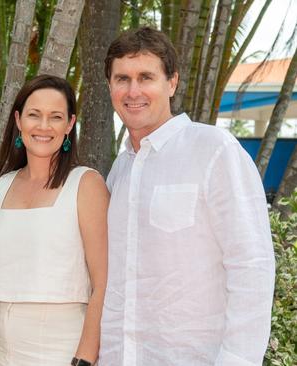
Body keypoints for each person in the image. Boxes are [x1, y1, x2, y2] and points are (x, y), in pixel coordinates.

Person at [100, 27, 275, 365]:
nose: (133, 90)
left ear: (172, 82)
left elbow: (251, 265)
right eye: (122, 79)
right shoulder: (119, 172)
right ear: (110, 87)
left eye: (146, 77)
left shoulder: (214, 150)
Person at [0, 74, 108, 366]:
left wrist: (85, 358)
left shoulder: (86, 184)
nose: (43, 126)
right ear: (18, 119)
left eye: (55, 117)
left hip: (61, 348)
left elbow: (104, 283)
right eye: (34, 115)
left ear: (69, 124)